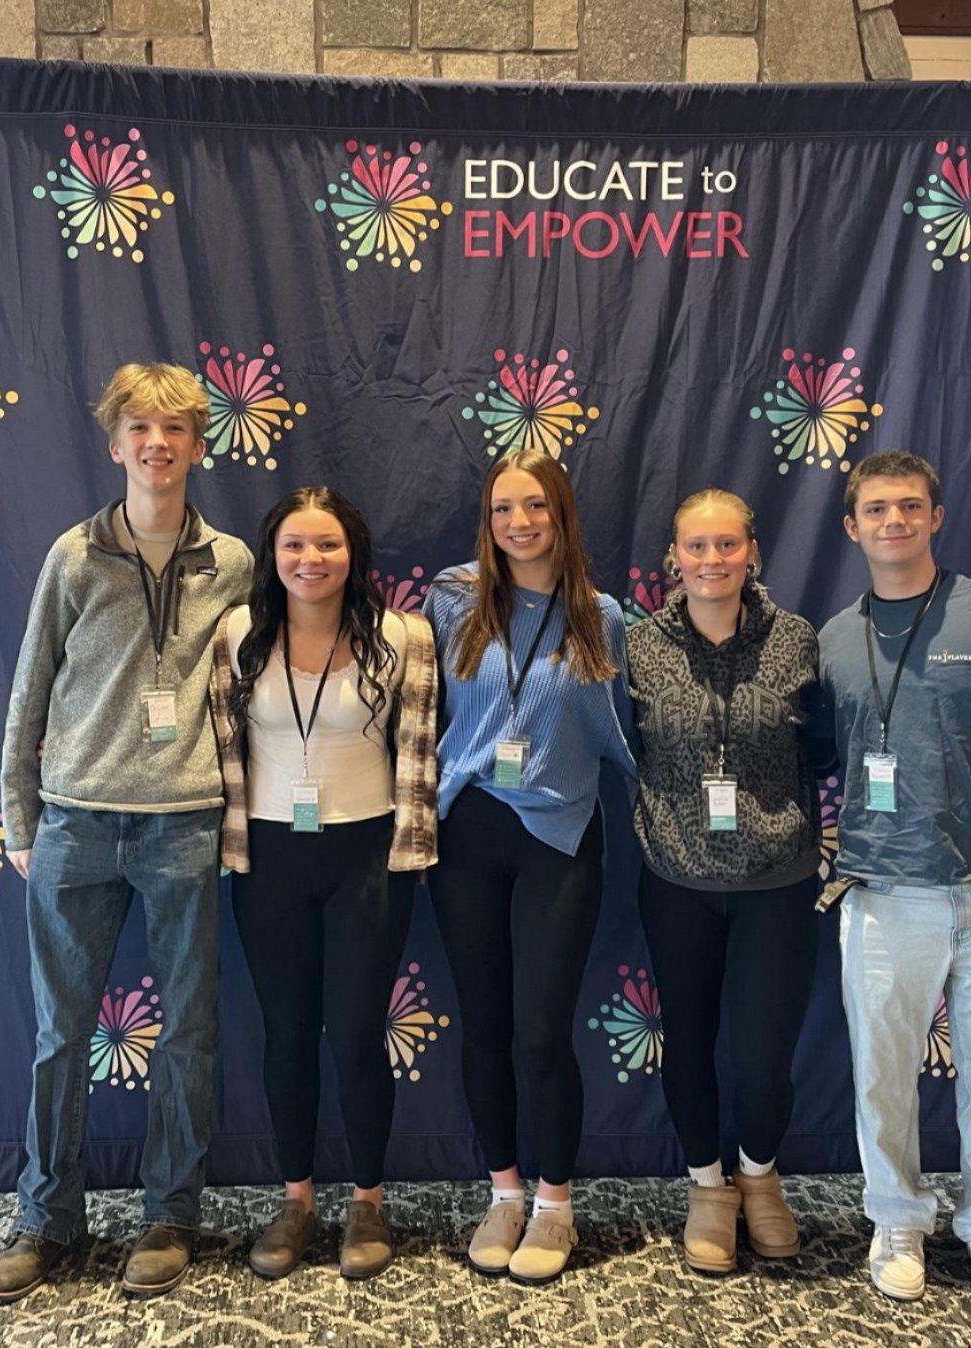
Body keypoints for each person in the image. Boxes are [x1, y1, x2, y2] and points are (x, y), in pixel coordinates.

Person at [0, 364, 254, 1302]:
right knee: (61, 1033)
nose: (158, 444)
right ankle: (45, 1217)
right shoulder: (72, 556)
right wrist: (22, 815)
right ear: (116, 444)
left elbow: (248, 701)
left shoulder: (233, 564)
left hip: (182, 824)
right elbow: (29, 690)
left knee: (187, 1031)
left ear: (198, 445)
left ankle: (170, 1212)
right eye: (140, 428)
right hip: (77, 822)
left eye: (176, 429)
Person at [817, 450, 971, 1312]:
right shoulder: (831, 639)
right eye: (876, 509)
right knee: (878, 1074)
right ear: (851, 527)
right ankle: (897, 1217)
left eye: (909, 507)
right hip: (884, 896)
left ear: (935, 517)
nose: (893, 521)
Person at [208, 487, 437, 1281]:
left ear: (354, 555)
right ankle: (298, 1200)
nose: (311, 560)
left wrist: (407, 850)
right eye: (295, 546)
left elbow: (419, 756)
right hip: (268, 857)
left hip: (367, 857)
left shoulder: (403, 637)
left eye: (328, 545)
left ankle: (368, 1202)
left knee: (355, 1031)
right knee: (286, 1033)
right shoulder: (237, 633)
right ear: (272, 555)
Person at [422, 447, 637, 1284]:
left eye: (535, 507)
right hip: (467, 832)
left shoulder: (600, 616)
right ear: (488, 517)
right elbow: (421, 704)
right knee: (484, 1023)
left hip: (561, 832)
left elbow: (621, 729)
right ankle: (503, 1191)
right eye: (504, 507)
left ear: (560, 515)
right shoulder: (452, 599)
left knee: (542, 1028)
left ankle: (553, 1204)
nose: (519, 522)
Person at [629, 488, 828, 1275]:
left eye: (725, 545)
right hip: (674, 876)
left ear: (751, 552)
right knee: (687, 1040)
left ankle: (758, 1175)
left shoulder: (798, 641)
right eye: (695, 547)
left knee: (762, 1054)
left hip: (776, 880)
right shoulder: (639, 643)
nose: (710, 561)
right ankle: (707, 1187)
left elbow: (825, 746)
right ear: (672, 558)